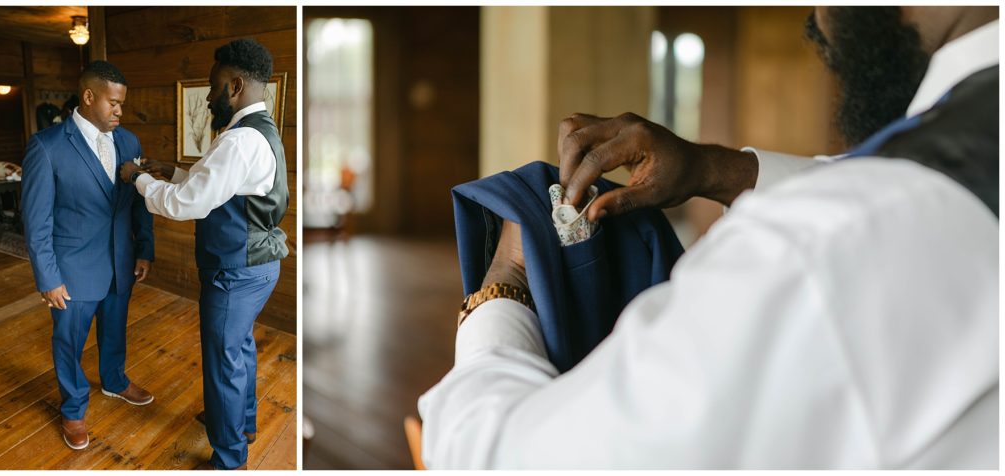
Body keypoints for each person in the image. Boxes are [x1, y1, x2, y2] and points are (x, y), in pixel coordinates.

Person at [419, 6, 998, 469]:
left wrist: (508, 284)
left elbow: (505, 458)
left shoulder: (816, 250)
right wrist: (715, 171)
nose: (816, 18)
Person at [121, 38, 289, 471]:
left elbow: (188, 204)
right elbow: (220, 188)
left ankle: (230, 457)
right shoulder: (256, 132)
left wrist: (138, 180)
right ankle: (242, 420)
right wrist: (171, 170)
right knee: (240, 347)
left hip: (236, 269)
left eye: (214, 88)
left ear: (234, 86)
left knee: (222, 360)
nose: (211, 97)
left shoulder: (238, 141)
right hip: (257, 266)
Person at [22, 60, 155, 451]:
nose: (119, 111)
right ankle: (74, 408)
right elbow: (37, 220)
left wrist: (144, 250)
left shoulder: (130, 143)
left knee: (115, 332)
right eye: (113, 103)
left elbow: (139, 205)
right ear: (88, 96)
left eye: (122, 105)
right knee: (69, 343)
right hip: (73, 270)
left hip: (122, 264)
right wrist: (48, 277)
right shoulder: (46, 146)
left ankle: (114, 380)